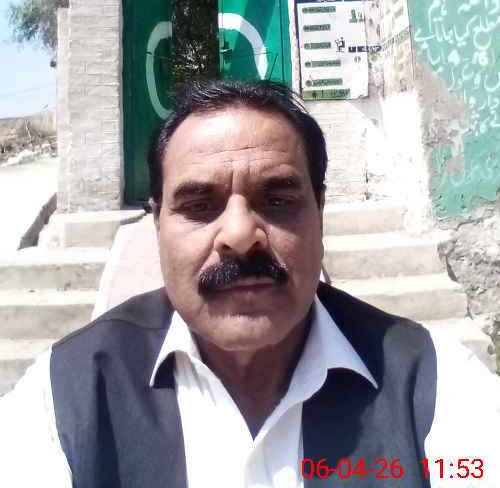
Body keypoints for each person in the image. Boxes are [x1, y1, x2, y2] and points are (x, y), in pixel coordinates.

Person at [0, 79, 499, 488]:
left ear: (320, 212)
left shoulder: (433, 386)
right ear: (157, 225)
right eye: (200, 206)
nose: (240, 235)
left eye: (277, 201)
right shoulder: (65, 395)